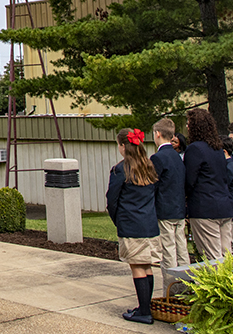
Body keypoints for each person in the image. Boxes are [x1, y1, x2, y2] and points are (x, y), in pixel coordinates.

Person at [106, 128, 160, 326]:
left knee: (137, 266)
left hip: (131, 223)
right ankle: (145, 306)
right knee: (147, 266)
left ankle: (144, 311)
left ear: (122, 146)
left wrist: (118, 220)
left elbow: (112, 200)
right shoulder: (149, 166)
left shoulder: (121, 170)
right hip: (150, 224)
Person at [184, 109, 233, 261]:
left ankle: (218, 285)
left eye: (189, 124)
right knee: (227, 256)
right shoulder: (218, 148)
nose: (187, 127)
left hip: (204, 208)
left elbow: (189, 180)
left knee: (212, 258)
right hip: (224, 206)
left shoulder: (195, 149)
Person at [149, 118, 188, 272]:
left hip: (165, 209)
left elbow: (154, 184)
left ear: (158, 134)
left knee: (169, 249)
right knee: (182, 247)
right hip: (179, 208)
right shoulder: (177, 157)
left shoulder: (158, 158)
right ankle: (187, 279)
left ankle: (173, 285)